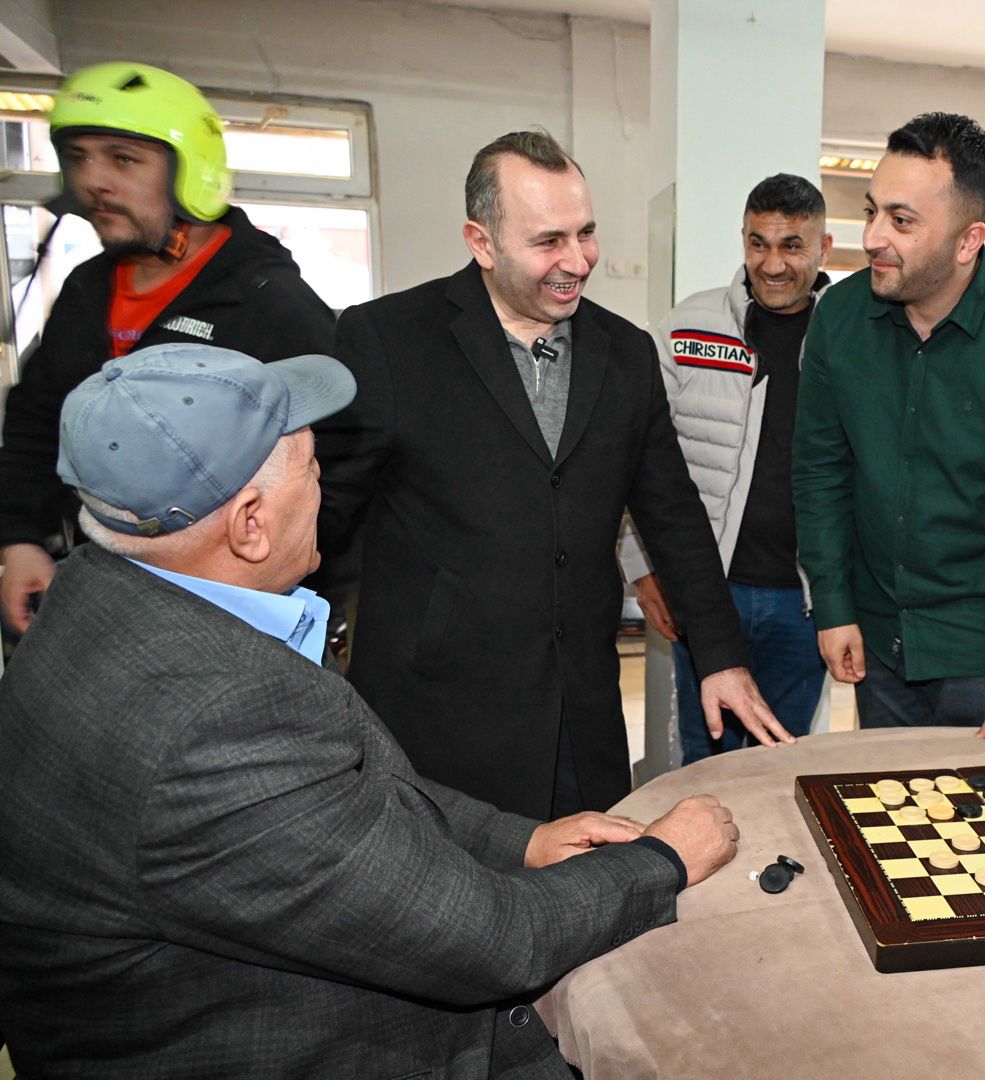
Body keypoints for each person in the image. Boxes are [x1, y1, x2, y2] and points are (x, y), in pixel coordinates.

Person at [0, 344, 739, 1078]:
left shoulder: (94, 594)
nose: (325, 487)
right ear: (250, 524)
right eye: (313, 469)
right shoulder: (214, 720)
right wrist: (663, 860)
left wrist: (523, 841)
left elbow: (342, 799)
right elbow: (492, 943)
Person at [316, 130, 790, 821]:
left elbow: (673, 512)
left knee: (592, 879)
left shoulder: (625, 352)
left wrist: (720, 656)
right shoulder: (387, 340)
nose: (577, 261)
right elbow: (324, 510)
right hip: (437, 712)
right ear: (481, 242)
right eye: (548, 241)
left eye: (586, 233)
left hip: (581, 710)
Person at [0, 61, 334, 635]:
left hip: (224, 603)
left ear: (191, 172)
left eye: (124, 159)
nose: (94, 181)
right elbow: (37, 421)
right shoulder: (85, 289)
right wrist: (19, 540)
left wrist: (264, 578)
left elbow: (333, 461)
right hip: (96, 581)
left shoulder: (267, 301)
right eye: (79, 157)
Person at [793, 112, 985, 754]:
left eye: (901, 221)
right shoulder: (838, 319)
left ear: (967, 240)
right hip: (877, 642)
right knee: (883, 807)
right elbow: (820, 472)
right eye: (872, 211)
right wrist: (834, 604)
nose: (872, 237)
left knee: (984, 816)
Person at [620, 173, 832, 763]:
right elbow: (634, 454)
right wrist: (641, 568)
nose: (772, 264)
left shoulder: (850, 335)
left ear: (824, 247)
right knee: (706, 756)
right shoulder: (687, 325)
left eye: (792, 245)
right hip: (709, 592)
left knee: (785, 759)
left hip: (805, 601)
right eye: (758, 243)